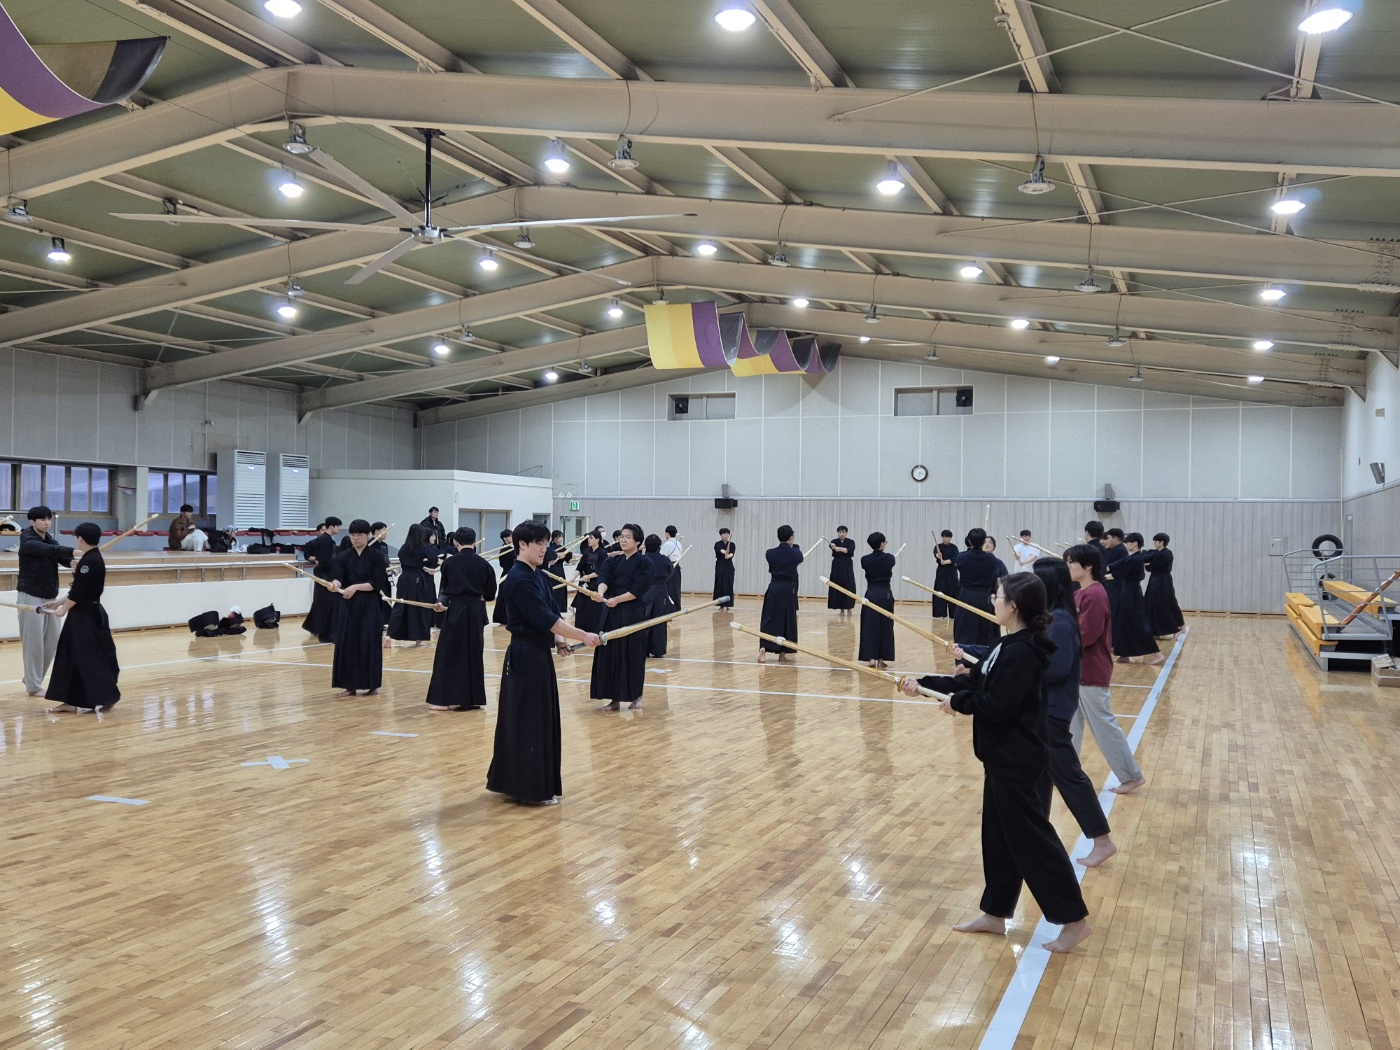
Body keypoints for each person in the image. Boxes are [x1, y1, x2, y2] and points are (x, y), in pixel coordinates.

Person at [901, 572, 1092, 954]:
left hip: (1018, 760)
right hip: (1001, 758)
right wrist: (922, 684)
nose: (993, 601)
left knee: (1033, 842)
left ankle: (1074, 920)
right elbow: (976, 684)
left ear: (1014, 607)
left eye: (998, 596)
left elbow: (997, 704)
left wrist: (957, 703)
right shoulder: (1008, 645)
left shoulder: (1023, 651)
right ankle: (995, 913)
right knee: (999, 838)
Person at [486, 521, 600, 805]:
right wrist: (582, 635)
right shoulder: (518, 579)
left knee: (538, 719)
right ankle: (527, 788)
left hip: (539, 654)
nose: (543, 549)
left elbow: (550, 611)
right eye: (538, 543)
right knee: (528, 722)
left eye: (546, 543)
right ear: (522, 544)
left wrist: (559, 640)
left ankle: (520, 782)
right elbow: (545, 617)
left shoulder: (538, 574)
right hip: (524, 656)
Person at [1033, 557, 1118, 867]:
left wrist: (1024, 663)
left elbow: (1055, 669)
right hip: (1043, 709)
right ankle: (1036, 836)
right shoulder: (1051, 617)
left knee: (1068, 777)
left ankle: (1102, 840)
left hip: (1053, 711)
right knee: (1040, 776)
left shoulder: (1061, 621)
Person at [1063, 544, 1147, 795]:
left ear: (1088, 566)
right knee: (1070, 726)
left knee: (1104, 727)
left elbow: (1087, 634)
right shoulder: (1080, 593)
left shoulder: (1095, 594)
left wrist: (1057, 641)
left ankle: (1131, 775)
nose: (1067, 566)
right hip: (1077, 670)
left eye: (1071, 562)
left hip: (1092, 670)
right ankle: (1066, 773)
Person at [40, 522, 121, 713]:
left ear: (80, 539)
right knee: (81, 656)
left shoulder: (89, 562)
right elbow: (78, 590)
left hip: (84, 617)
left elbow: (79, 592)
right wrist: (58, 603)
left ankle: (101, 696)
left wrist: (63, 609)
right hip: (89, 613)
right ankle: (81, 700)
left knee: (83, 657)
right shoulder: (93, 559)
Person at [426, 528, 497, 711]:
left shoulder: (449, 564)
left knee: (449, 653)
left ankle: (443, 700)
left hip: (456, 610)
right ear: (475, 542)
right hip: (476, 611)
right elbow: (490, 594)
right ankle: (471, 699)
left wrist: (442, 603)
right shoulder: (484, 564)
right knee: (474, 654)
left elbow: (445, 590)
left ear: (455, 542)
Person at [589, 524, 654, 710]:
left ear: (638, 541)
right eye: (622, 536)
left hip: (632, 612)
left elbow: (638, 589)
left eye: (628, 537)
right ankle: (614, 699)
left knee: (632, 653)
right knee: (610, 653)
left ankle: (636, 696)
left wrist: (617, 599)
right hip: (611, 612)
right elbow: (603, 578)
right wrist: (601, 593)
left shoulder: (645, 563)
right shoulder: (613, 560)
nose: (623, 540)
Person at [15, 506, 76, 698]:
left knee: (52, 642)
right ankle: (33, 687)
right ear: (32, 522)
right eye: (42, 519)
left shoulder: (49, 539)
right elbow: (46, 550)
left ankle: (31, 678)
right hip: (31, 595)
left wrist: (72, 561)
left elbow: (59, 555)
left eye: (48, 519)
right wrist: (74, 551)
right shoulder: (27, 539)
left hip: (50, 596)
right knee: (33, 642)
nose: (47, 522)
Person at [329, 519, 392, 697]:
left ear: (368, 535)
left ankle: (372, 684)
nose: (355, 538)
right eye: (352, 534)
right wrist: (334, 585)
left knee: (369, 642)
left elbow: (377, 582)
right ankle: (349, 686)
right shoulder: (343, 556)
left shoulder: (376, 556)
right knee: (347, 643)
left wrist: (356, 587)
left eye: (359, 534)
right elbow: (338, 577)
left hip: (369, 604)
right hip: (348, 604)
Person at [1111, 533, 1163, 664]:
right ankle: (1124, 654)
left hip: (1131, 594)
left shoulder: (1135, 559)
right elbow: (1118, 563)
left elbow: (1118, 574)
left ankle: (1158, 654)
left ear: (1135, 543)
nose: (1126, 544)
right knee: (1124, 622)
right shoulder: (1134, 557)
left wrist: (1099, 575)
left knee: (1137, 623)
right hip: (1129, 592)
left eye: (1128, 542)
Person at [387, 524, 438, 647]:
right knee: (419, 607)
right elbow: (433, 559)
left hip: (404, 578)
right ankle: (419, 639)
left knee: (400, 605)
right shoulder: (422, 547)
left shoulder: (404, 547)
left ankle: (389, 635)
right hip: (416, 579)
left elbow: (405, 561)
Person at [758, 525, 803, 663]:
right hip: (788, 590)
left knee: (769, 619)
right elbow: (799, 559)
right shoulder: (796, 553)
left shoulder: (770, 553)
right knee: (786, 621)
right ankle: (782, 654)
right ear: (791, 538)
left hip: (773, 587)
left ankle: (763, 649)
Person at [953, 528, 1002, 650]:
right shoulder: (991, 559)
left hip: (966, 597)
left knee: (964, 629)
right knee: (986, 630)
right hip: (985, 598)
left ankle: (964, 656)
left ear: (969, 541)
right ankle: (985, 655)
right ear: (983, 542)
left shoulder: (961, 557)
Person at [858, 532, 896, 668]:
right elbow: (889, 561)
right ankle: (881, 659)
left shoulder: (865, 560)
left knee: (870, 625)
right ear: (881, 544)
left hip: (871, 594)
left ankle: (872, 658)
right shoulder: (890, 558)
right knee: (885, 625)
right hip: (885, 594)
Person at [301, 517, 342, 643]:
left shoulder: (326, 539)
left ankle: (315, 627)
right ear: (332, 526)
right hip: (325, 574)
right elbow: (325, 560)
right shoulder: (326, 540)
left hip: (324, 572)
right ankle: (317, 627)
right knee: (324, 602)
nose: (339, 529)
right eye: (338, 526)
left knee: (321, 601)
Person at [1142, 533, 1186, 638]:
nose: (1154, 543)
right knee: (1151, 603)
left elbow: (1151, 567)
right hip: (1154, 580)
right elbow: (1146, 555)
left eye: (1156, 541)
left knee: (1169, 602)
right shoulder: (1157, 552)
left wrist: (1148, 563)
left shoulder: (1166, 554)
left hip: (1163, 581)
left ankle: (1179, 627)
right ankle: (1155, 630)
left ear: (1161, 542)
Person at [642, 533, 675, 658]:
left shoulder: (641, 559)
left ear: (645, 546)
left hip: (644, 591)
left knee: (643, 620)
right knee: (659, 620)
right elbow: (670, 573)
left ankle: (643, 649)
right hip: (661, 591)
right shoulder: (665, 559)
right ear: (659, 546)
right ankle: (658, 649)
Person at [572, 532, 607, 633]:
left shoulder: (602, 553)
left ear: (597, 540)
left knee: (594, 608)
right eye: (589, 538)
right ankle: (581, 629)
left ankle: (595, 629)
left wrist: (588, 576)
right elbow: (580, 566)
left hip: (595, 584)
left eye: (591, 538)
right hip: (584, 584)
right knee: (582, 606)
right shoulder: (587, 552)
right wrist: (573, 578)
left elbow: (601, 570)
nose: (589, 540)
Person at [826, 526, 857, 619]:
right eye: (839, 532)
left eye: (843, 532)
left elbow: (849, 550)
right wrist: (832, 546)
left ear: (846, 533)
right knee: (838, 584)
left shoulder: (851, 542)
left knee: (848, 585)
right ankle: (841, 609)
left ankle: (849, 608)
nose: (841, 534)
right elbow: (831, 546)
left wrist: (838, 548)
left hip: (847, 565)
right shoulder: (834, 541)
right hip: (837, 565)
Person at [1100, 528, 1128, 619]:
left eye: (1108, 538)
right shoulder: (1112, 549)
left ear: (1115, 538)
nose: (1107, 541)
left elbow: (1120, 570)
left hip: (1114, 586)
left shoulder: (1121, 550)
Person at [492, 528, 517, 627]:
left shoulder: (513, 547)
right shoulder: (506, 549)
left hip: (513, 573)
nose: (511, 538)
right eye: (510, 536)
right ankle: (503, 618)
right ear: (505, 538)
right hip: (507, 573)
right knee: (504, 596)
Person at [932, 529, 959, 619]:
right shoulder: (938, 546)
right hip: (941, 571)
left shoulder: (954, 547)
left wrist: (946, 561)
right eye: (943, 537)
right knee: (940, 590)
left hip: (951, 572)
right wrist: (938, 555)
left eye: (947, 537)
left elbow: (955, 558)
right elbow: (936, 553)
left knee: (953, 591)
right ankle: (940, 613)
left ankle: (953, 614)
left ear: (950, 538)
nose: (944, 538)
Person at [660, 525, 683, 611]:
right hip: (676, 568)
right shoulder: (679, 543)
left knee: (669, 589)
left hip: (669, 568)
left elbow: (662, 557)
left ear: (667, 533)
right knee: (676, 588)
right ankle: (676, 608)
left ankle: (669, 608)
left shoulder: (667, 544)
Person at [712, 529, 735, 609]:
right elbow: (720, 550)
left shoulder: (732, 544)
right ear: (721, 535)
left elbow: (732, 553)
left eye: (727, 534)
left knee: (729, 583)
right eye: (724, 534)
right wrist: (725, 552)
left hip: (729, 565)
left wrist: (728, 556)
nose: (726, 536)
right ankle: (720, 604)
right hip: (720, 564)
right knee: (720, 583)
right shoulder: (717, 544)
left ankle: (728, 604)